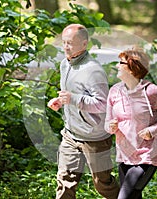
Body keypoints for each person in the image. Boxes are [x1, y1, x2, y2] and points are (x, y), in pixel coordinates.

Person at [47, 24, 119, 199]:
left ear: (84, 44)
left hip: (95, 138)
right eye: (63, 42)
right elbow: (72, 94)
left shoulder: (93, 70)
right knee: (64, 181)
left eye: (70, 43)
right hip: (71, 135)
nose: (65, 47)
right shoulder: (65, 64)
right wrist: (61, 101)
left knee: (102, 183)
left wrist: (73, 99)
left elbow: (102, 104)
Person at [104, 47, 157, 199]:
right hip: (124, 155)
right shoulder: (114, 92)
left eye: (121, 62)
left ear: (133, 68)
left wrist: (153, 130)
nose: (117, 65)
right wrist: (110, 126)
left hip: (146, 155)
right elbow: (107, 123)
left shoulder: (152, 92)